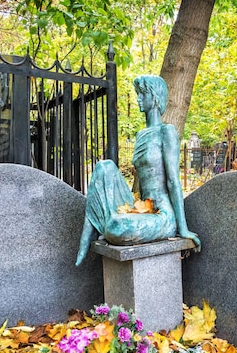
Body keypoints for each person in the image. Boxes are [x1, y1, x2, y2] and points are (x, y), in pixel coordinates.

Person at [75, 75, 200, 266]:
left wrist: (183, 229)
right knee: (104, 166)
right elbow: (139, 182)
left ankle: (100, 231)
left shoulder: (167, 132)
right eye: (138, 94)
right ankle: (88, 234)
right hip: (142, 207)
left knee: (117, 226)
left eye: (142, 94)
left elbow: (173, 181)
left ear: (155, 97)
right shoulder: (141, 134)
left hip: (161, 214)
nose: (138, 98)